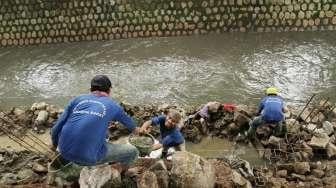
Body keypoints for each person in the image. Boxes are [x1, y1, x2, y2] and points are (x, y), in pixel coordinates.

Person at [51, 75, 142, 169]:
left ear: (90, 89)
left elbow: (55, 129)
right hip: (88, 158)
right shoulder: (113, 105)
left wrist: (56, 147)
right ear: (109, 90)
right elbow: (132, 126)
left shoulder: (77, 100)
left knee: (103, 132)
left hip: (64, 152)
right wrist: (137, 130)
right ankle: (122, 173)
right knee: (132, 151)